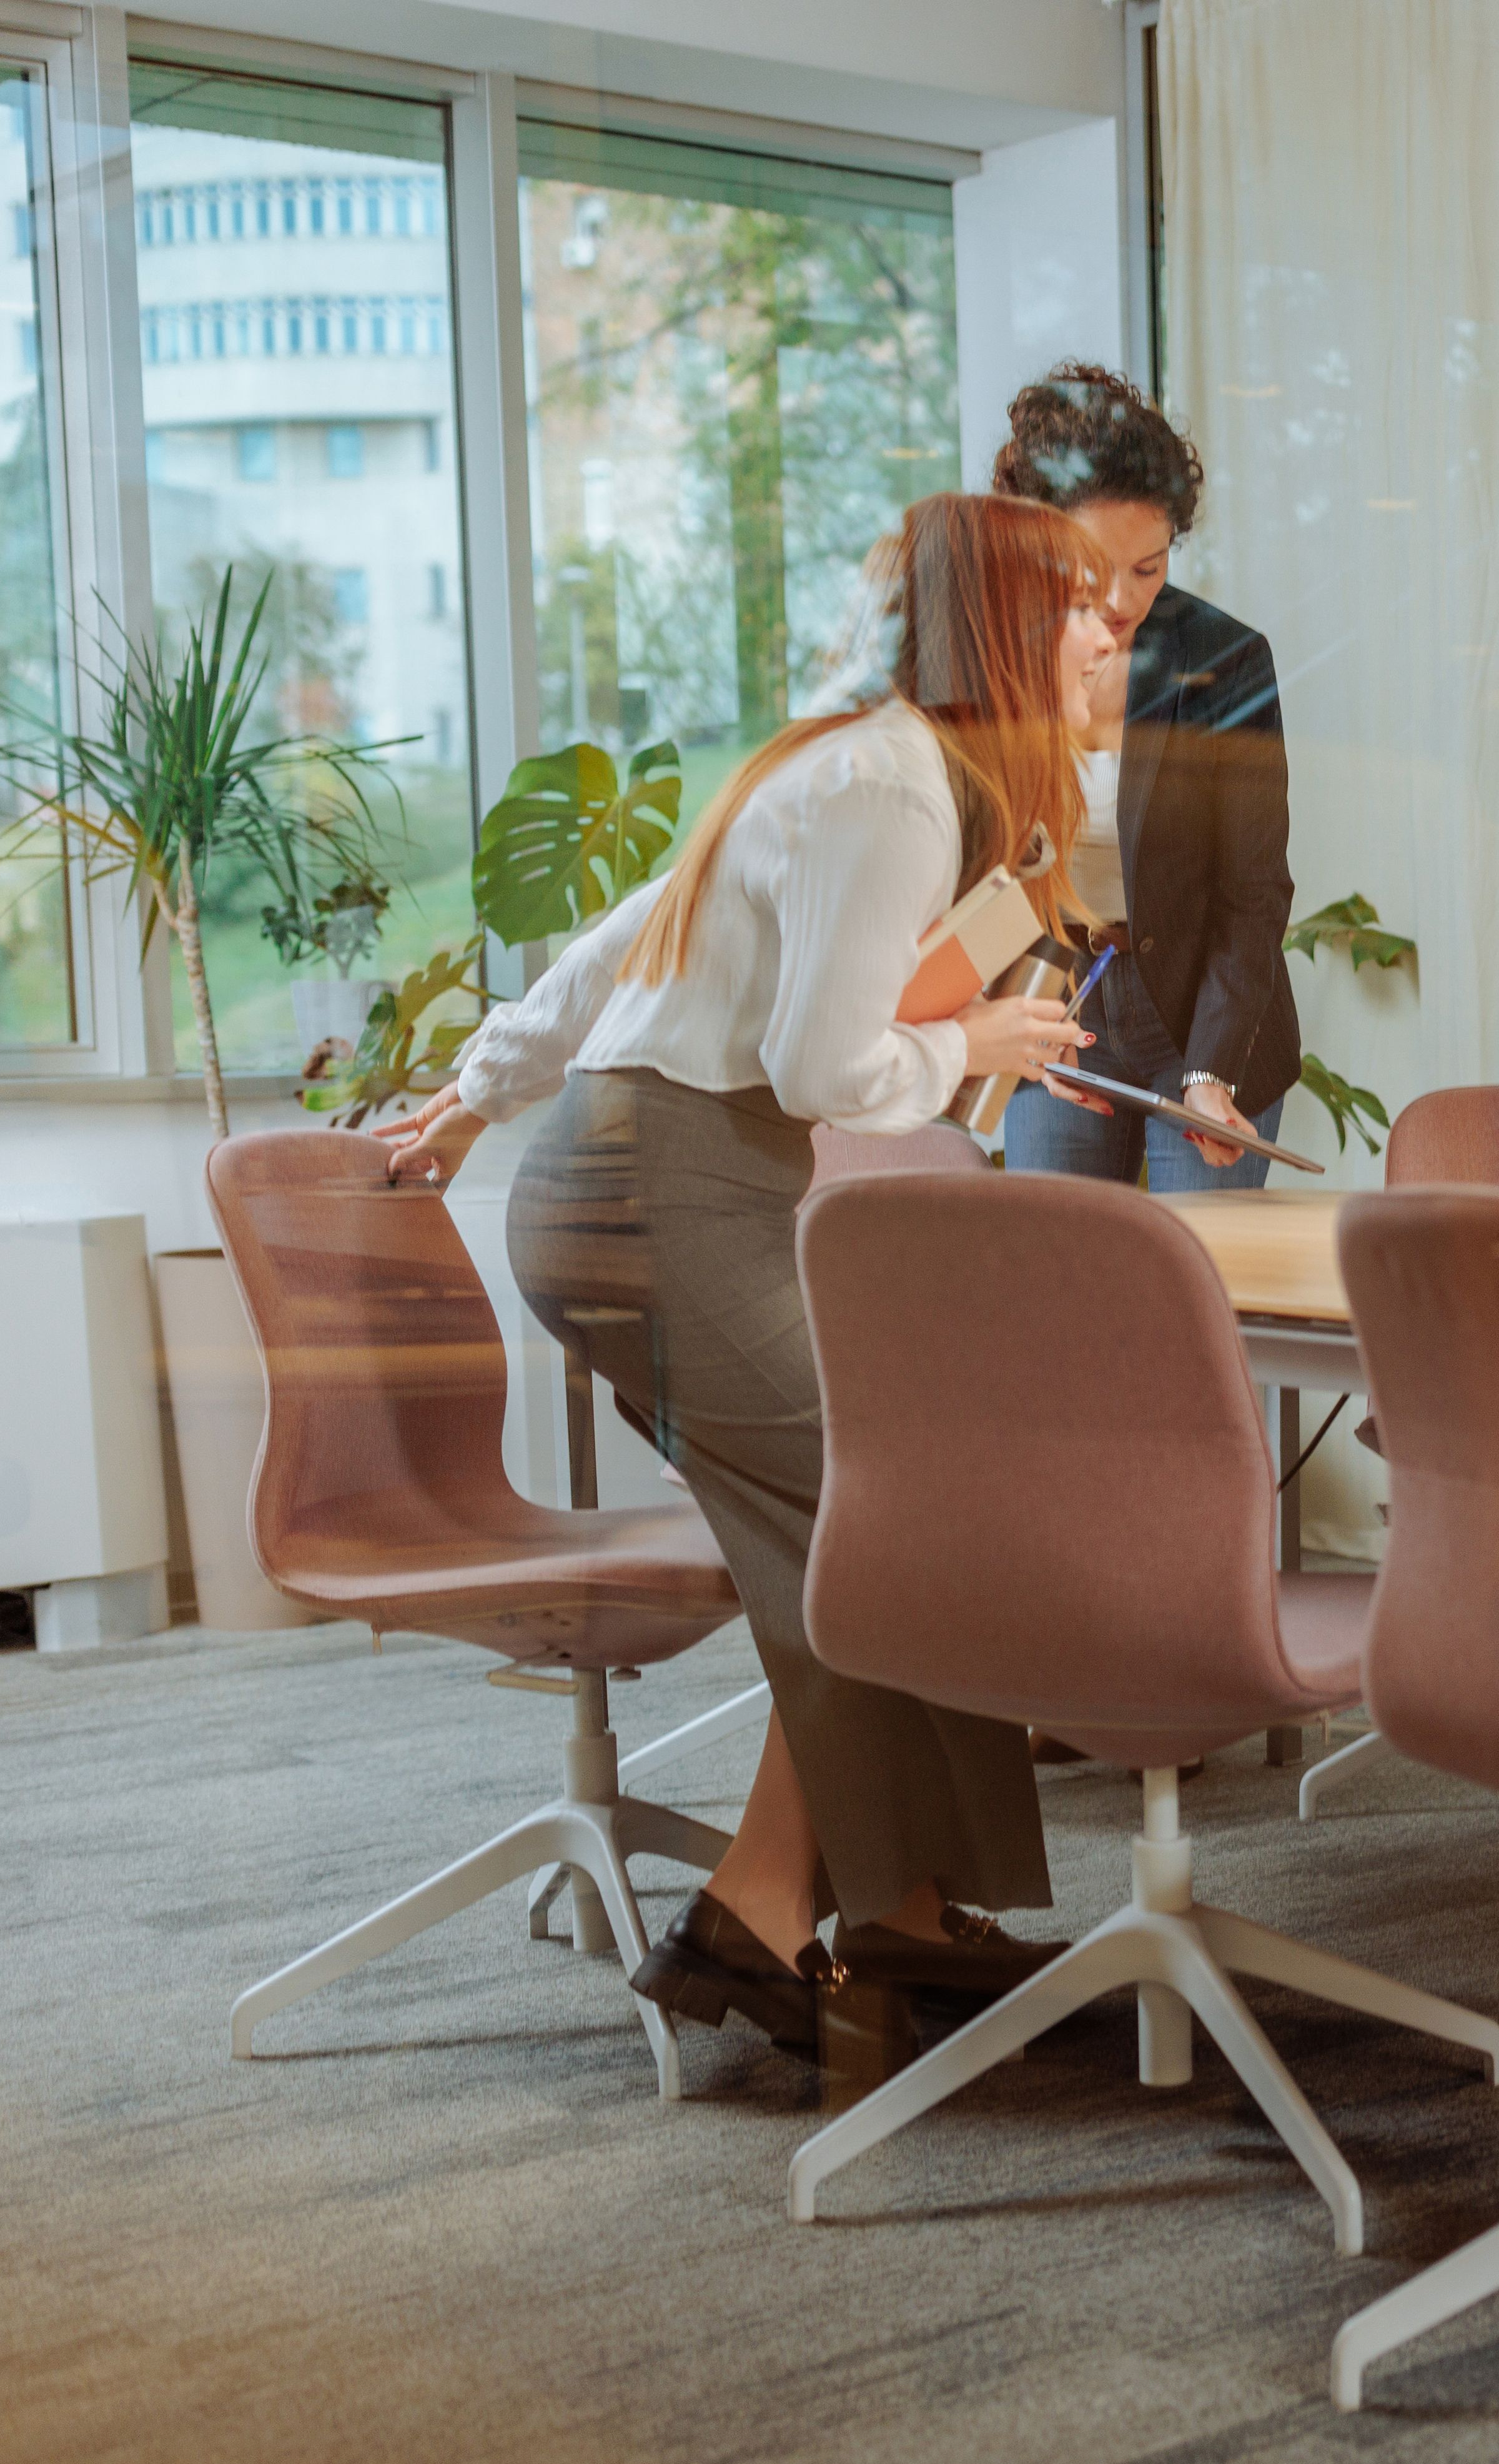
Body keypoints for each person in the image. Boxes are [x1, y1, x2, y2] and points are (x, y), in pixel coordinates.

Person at [371, 492, 1119, 2054]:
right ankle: (768, 1920)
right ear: (998, 625)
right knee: (890, 1515)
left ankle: (888, 1917)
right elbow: (816, 1064)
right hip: (670, 1189)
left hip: (643, 1177)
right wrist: (969, 1044)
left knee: (874, 1516)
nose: (1111, 634)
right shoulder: (894, 790)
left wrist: (481, 1086)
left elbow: (622, 941)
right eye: (1082, 608)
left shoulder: (854, 762)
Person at [989, 360, 1299, 1186]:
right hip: (1062, 999)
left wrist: (1212, 1073)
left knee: (1195, 1282)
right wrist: (1021, 1018)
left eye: (1149, 567)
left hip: (1203, 1018)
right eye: (1092, 564)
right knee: (1054, 1275)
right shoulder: (995, 662)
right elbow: (979, 874)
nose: (1123, 600)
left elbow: (1253, 889)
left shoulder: (1224, 660)